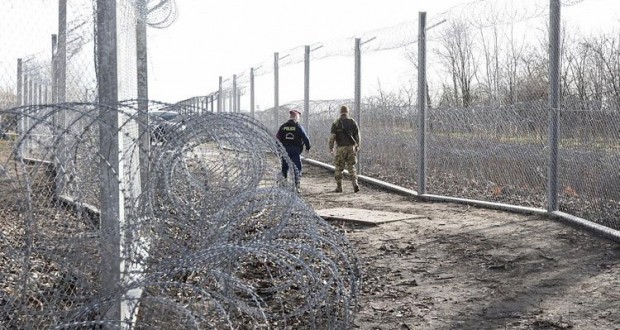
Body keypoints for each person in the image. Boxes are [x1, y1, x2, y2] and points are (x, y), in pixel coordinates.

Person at [276, 109, 311, 193]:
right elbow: (305, 138)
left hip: (285, 150)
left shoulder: (283, 126)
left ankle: (283, 185)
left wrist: (278, 149)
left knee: (285, 167)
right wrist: (308, 147)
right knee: (297, 168)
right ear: (296, 117)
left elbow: (277, 138)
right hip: (295, 150)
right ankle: (297, 186)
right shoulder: (298, 127)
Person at [328, 105, 360, 193]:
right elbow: (357, 136)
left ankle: (339, 187)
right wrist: (357, 146)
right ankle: (355, 184)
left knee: (339, 167)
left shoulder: (336, 123)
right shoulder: (353, 122)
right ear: (347, 112)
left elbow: (332, 137)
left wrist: (331, 147)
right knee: (351, 167)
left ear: (340, 112)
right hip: (351, 148)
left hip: (341, 148)